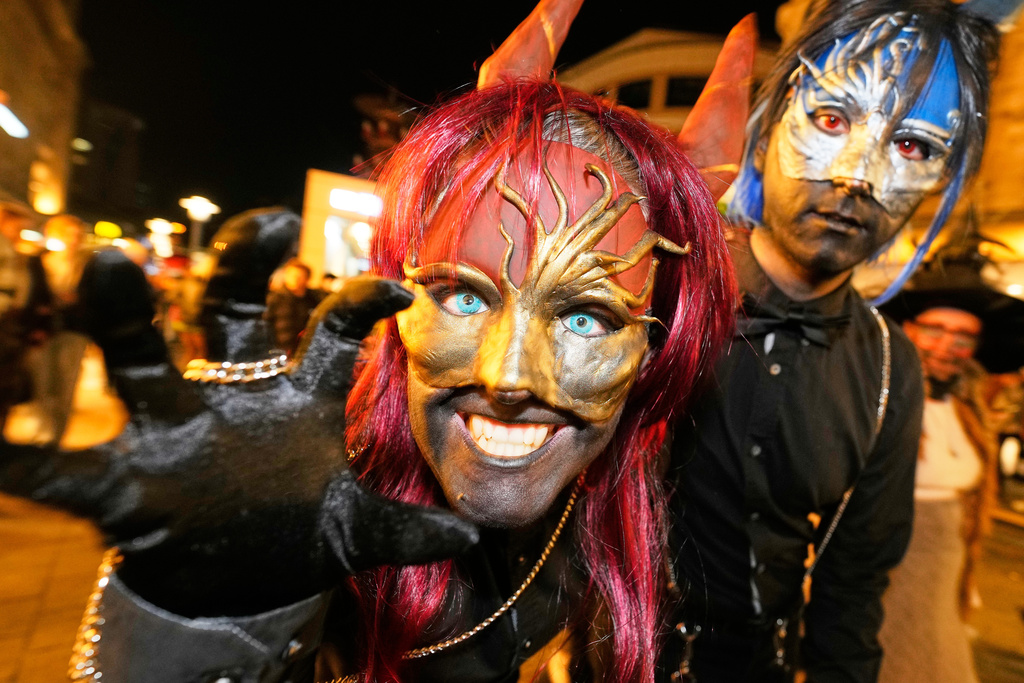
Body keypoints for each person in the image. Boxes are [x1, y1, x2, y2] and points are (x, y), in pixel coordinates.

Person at [0, 81, 733, 682]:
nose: (509, 375)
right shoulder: (320, 505)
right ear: (398, 307)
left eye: (585, 318)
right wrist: (206, 619)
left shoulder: (619, 506)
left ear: (652, 351)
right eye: (464, 297)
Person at [665, 0, 1005, 680]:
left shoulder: (890, 368)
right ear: (769, 128)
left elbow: (853, 589)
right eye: (830, 119)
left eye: (912, 146)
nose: (857, 175)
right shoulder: (667, 296)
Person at [873, 301, 997, 683]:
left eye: (963, 338)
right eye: (934, 331)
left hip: (945, 575)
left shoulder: (967, 408)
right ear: (908, 329)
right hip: (886, 573)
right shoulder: (878, 398)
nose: (947, 347)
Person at [34, 213, 93, 445]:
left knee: (65, 385)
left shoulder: (87, 264)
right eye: (67, 234)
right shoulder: (41, 260)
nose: (73, 239)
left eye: (77, 235)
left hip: (74, 330)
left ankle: (55, 438)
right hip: (43, 329)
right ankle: (45, 427)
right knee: (42, 382)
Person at [0, 200, 50, 428]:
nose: (20, 234)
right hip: (5, 325)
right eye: (17, 228)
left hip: (15, 328)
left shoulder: (24, 257)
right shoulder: (7, 255)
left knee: (8, 385)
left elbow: (35, 294)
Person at [264, 257, 320, 355]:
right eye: (291, 275)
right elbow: (265, 324)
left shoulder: (314, 299)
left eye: (300, 276)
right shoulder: (275, 298)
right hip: (279, 350)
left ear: (307, 278)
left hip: (305, 351)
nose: (295, 279)